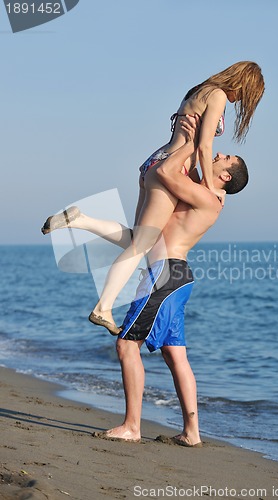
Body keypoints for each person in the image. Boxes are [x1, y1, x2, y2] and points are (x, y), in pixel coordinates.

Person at [42, 117, 249, 446]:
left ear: (225, 177)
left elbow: (164, 173)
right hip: (174, 277)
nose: (217, 154)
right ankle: (192, 433)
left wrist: (193, 142)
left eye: (223, 158)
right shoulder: (203, 191)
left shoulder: (209, 198)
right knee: (175, 355)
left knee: (126, 345)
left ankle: (132, 426)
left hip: (164, 277)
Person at [42, 61, 261, 335]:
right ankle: (103, 307)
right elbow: (204, 146)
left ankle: (80, 219)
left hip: (155, 161)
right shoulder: (217, 96)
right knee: (141, 246)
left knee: (137, 238)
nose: (241, 101)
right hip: (170, 168)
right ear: (243, 83)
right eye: (246, 95)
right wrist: (207, 185)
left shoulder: (199, 90)